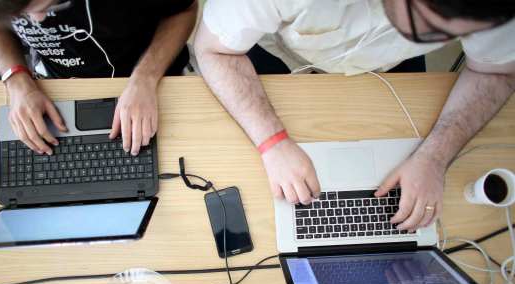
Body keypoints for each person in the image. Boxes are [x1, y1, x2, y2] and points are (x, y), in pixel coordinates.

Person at [194, 0, 515, 231]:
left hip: (389, 71)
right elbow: (212, 50)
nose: (436, 41)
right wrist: (273, 142)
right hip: (279, 54)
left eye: (452, 37)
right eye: (427, 24)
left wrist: (434, 157)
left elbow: (497, 72)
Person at [0, 0, 197, 156]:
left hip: (150, 71)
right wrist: (16, 79)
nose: (38, 19)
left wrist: (145, 78)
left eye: (51, 5)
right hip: (53, 82)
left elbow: (184, 11)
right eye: (20, 13)